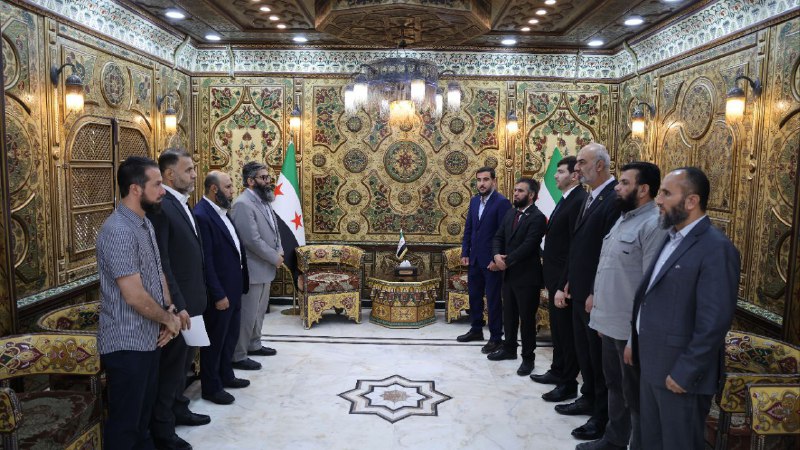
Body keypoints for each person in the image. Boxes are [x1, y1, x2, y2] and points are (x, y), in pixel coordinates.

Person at [629, 167, 739, 450]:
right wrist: (635, 341)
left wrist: (685, 371)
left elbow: (714, 322)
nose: (658, 200)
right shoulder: (671, 237)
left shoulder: (716, 248)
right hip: (652, 365)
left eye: (666, 193)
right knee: (650, 442)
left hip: (679, 374)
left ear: (691, 201)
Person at [579, 162, 666, 450]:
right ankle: (614, 439)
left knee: (635, 395)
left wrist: (634, 336)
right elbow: (607, 265)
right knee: (614, 385)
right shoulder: (623, 219)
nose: (617, 187)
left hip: (630, 328)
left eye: (625, 183)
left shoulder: (653, 224)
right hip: (609, 321)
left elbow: (651, 285)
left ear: (643, 189)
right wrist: (597, 302)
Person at [96, 156, 182, 450]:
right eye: (157, 184)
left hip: (148, 339)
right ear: (135, 189)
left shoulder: (144, 223)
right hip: (127, 344)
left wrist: (169, 311)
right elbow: (133, 295)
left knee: (143, 422)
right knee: (126, 426)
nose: (163, 190)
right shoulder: (119, 230)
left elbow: (157, 273)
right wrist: (168, 320)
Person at [554, 143, 619, 441]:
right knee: (585, 353)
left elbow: (608, 253)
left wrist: (594, 291)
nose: (577, 168)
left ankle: (601, 416)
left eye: (581, 162)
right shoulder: (591, 196)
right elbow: (578, 244)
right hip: (578, 289)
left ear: (599, 165)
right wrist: (569, 280)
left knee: (598, 358)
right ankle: (588, 396)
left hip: (596, 294)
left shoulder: (613, 198)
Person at [147, 149, 210, 450]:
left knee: (183, 364)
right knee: (171, 368)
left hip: (193, 301)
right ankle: (163, 430)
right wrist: (179, 305)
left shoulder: (181, 203)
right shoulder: (162, 208)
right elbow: (164, 263)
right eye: (189, 170)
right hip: (178, 306)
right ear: (170, 174)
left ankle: (179, 408)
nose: (195, 174)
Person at [531, 156, 588, 403]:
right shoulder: (566, 198)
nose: (555, 176)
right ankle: (557, 370)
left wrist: (565, 283)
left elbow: (575, 246)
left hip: (564, 281)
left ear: (575, 175)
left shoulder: (579, 200)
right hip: (553, 277)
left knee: (567, 334)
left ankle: (567, 384)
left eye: (561, 172)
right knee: (558, 330)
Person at [195, 171, 251, 405]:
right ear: (214, 189)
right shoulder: (202, 214)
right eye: (228, 187)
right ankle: (211, 387)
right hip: (220, 293)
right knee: (215, 341)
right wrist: (218, 294)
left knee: (229, 337)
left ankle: (226, 374)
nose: (232, 191)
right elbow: (206, 260)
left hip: (234, 288)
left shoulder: (222, 211)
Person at [487, 178, 547, 376]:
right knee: (509, 315)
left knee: (527, 320)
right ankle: (509, 349)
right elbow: (498, 236)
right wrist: (497, 256)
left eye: (520, 191)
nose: (515, 194)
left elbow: (529, 245)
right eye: (515, 190)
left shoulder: (538, 217)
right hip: (509, 275)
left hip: (527, 277)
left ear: (531, 195)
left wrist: (506, 261)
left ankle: (528, 358)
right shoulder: (511, 213)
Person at [230, 162, 283, 371]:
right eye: (263, 177)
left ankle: (254, 344)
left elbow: (275, 230)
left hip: (266, 267)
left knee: (259, 312)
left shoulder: (264, 200)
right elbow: (251, 240)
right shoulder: (242, 204)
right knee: (248, 314)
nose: (268, 181)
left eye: (268, 177)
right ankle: (239, 355)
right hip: (252, 269)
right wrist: (274, 257)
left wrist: (279, 250)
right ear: (250, 181)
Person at [457, 167, 511, 354]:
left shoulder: (502, 203)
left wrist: (498, 259)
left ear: (494, 181)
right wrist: (465, 252)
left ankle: (496, 338)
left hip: (491, 261)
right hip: (474, 259)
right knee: (474, 296)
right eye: (479, 180)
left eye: (486, 179)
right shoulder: (474, 201)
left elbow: (505, 234)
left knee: (494, 299)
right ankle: (476, 329)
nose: (481, 183)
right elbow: (469, 229)